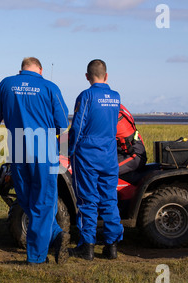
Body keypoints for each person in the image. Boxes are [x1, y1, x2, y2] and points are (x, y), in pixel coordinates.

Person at [0, 57, 70, 265]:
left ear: (22, 69)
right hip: (45, 151)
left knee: (26, 199)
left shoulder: (6, 84)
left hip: (18, 150)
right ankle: (38, 256)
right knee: (44, 201)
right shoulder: (49, 87)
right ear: (40, 70)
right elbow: (62, 123)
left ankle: (54, 235)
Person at [68, 59, 123, 260]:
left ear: (87, 76)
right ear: (106, 75)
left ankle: (87, 246)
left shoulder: (86, 96)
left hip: (87, 156)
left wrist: (70, 150)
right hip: (109, 156)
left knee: (87, 200)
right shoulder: (116, 97)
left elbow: (78, 126)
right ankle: (112, 246)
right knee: (109, 200)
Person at [117, 104, 147, 175]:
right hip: (125, 152)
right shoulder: (117, 106)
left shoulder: (114, 118)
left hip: (133, 156)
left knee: (103, 172)